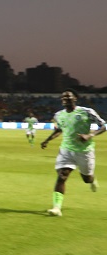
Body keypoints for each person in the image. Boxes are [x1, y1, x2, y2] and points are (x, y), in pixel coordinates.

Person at [40, 89, 106, 217]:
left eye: (68, 97)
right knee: (62, 176)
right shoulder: (59, 115)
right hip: (66, 150)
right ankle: (56, 208)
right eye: (63, 97)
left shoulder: (87, 112)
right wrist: (47, 140)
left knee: (86, 178)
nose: (65, 99)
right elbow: (59, 129)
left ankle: (92, 180)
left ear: (75, 98)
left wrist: (90, 135)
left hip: (84, 151)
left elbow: (103, 126)